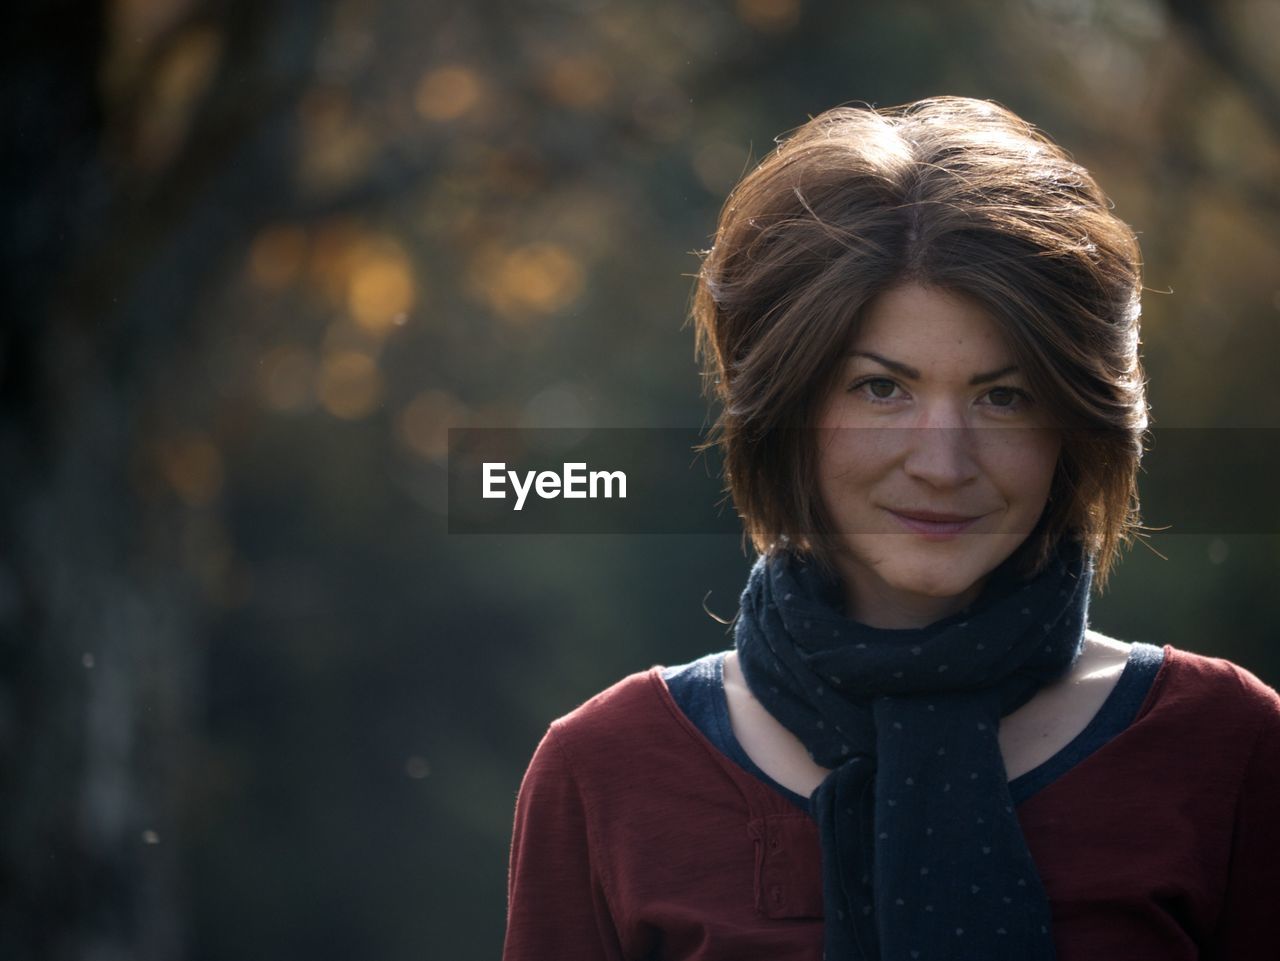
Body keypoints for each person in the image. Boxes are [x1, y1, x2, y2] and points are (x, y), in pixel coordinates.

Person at [501, 98, 1280, 961]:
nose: (943, 463)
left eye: (1004, 397)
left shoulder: (1224, 747)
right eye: (882, 389)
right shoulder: (610, 768)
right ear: (788, 406)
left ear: (1076, 424)